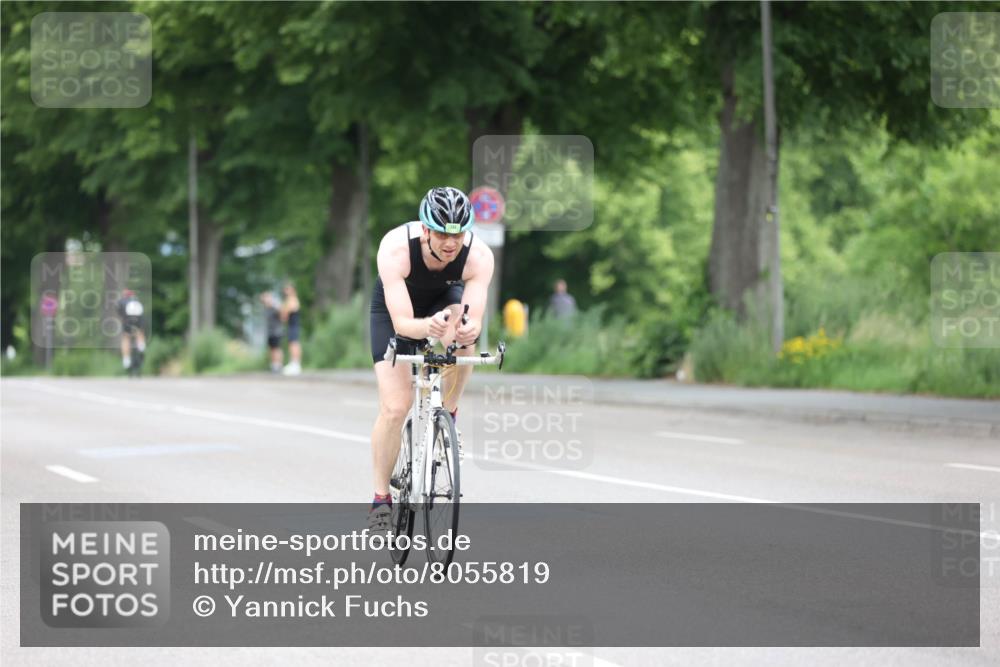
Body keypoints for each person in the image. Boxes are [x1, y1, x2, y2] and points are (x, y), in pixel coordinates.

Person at [367, 186, 494, 531]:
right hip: (398, 309)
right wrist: (428, 327)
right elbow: (404, 324)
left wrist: (467, 328)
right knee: (396, 406)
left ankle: (449, 413)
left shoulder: (478, 256)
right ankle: (381, 498)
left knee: (464, 335)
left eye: (458, 234)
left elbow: (475, 314)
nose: (450, 243)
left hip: (444, 298)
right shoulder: (395, 249)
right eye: (441, 234)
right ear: (425, 229)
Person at [116, 289, 146, 371]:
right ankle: (141, 347)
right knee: (140, 332)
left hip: (128, 320)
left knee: (126, 337)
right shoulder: (137, 300)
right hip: (139, 320)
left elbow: (120, 315)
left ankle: (126, 360)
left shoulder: (122, 301)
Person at [281, 282, 302, 376]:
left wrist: (284, 310)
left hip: (294, 325)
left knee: (294, 343)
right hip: (291, 325)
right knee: (292, 343)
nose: (286, 291)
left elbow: (285, 312)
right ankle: (294, 362)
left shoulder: (292, 299)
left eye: (287, 289)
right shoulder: (289, 300)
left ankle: (296, 363)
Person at [260, 291, 284, 373]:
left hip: (276, 331)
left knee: (277, 348)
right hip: (269, 332)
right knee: (271, 349)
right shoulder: (266, 308)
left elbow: (282, 316)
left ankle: (279, 365)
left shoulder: (275, 308)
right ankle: (274, 364)